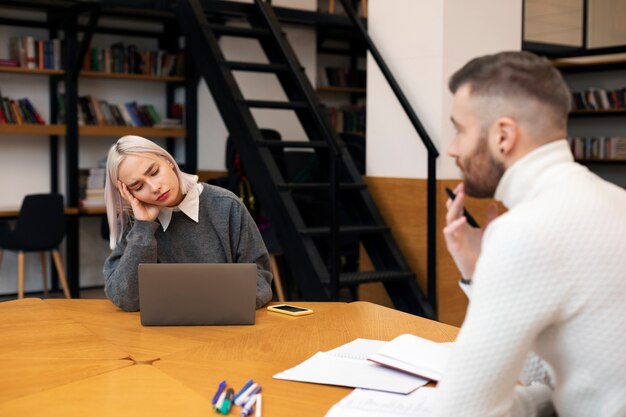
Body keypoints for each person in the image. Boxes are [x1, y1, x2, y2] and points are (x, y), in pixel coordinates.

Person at [435, 51, 626, 417]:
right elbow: (555, 376)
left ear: (503, 135)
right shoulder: (615, 201)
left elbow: (461, 411)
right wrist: (480, 273)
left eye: (460, 129)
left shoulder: (526, 231)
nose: (453, 148)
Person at [102, 135, 273, 312]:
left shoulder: (226, 205)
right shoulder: (136, 222)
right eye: (138, 187)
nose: (154, 187)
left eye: (154, 172)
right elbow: (124, 298)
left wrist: (212, 308)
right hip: (160, 335)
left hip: (224, 326)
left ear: (168, 161)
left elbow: (260, 280)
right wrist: (144, 228)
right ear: (128, 193)